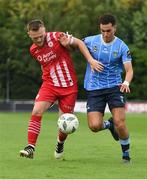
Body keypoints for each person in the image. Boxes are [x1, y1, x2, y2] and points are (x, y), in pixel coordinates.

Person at [19, 19, 99, 159]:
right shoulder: (33, 50)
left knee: (65, 123)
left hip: (69, 86)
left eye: (41, 36)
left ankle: (60, 142)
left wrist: (89, 60)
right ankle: (31, 146)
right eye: (35, 37)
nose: (38, 39)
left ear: (45, 30)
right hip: (50, 85)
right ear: (29, 34)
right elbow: (46, 65)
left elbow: (79, 43)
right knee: (36, 110)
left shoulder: (57, 36)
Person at [83, 14, 133, 163]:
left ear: (114, 28)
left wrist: (126, 82)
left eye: (108, 31)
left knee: (120, 122)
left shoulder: (122, 46)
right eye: (103, 31)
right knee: (94, 126)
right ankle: (108, 124)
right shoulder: (91, 41)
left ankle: (126, 155)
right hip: (95, 88)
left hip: (114, 88)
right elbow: (77, 44)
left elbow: (129, 70)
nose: (105, 34)